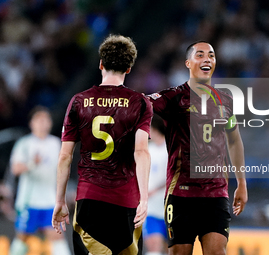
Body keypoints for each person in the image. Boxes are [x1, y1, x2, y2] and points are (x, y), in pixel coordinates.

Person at [52, 34, 153, 255]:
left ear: (100, 64)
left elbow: (65, 156)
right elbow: (141, 152)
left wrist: (60, 200)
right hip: (127, 200)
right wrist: (144, 199)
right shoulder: (140, 103)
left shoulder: (79, 101)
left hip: (89, 199)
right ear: (128, 69)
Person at [149, 41, 248, 255]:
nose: (207, 59)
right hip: (181, 194)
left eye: (211, 55)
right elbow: (139, 105)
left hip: (216, 193)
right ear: (188, 63)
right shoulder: (173, 98)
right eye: (200, 54)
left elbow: (234, 140)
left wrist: (241, 182)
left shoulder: (225, 100)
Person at [9, 106, 71, 255]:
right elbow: (15, 169)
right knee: (22, 239)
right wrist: (32, 163)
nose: (43, 122)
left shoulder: (57, 144)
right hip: (29, 201)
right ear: (32, 123)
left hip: (50, 200)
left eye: (46, 119)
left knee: (57, 237)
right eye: (39, 119)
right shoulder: (24, 144)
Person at [144, 115, 168, 255]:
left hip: (169, 207)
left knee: (171, 249)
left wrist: (156, 189)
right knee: (154, 246)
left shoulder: (171, 149)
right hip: (151, 208)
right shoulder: (148, 150)